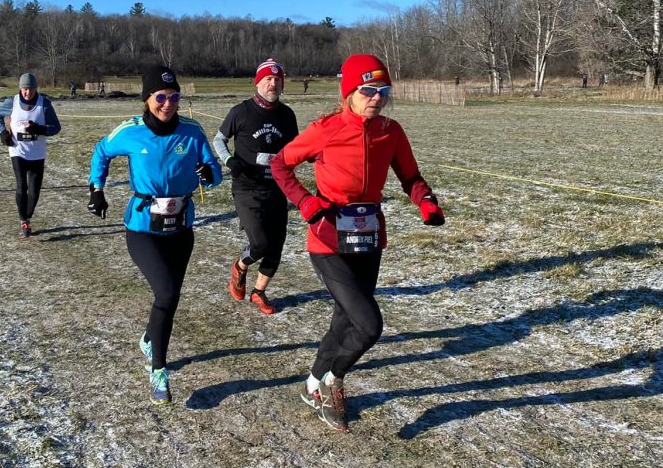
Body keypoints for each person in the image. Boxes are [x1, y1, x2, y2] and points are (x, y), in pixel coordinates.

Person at [272, 53, 445, 433]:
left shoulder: (391, 131)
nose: (377, 97)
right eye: (368, 90)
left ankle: (312, 384)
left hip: (368, 237)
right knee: (368, 324)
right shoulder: (326, 128)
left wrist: (425, 200)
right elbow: (280, 165)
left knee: (346, 319)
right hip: (328, 239)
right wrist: (305, 202)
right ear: (349, 92)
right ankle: (336, 380)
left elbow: (410, 176)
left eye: (383, 90)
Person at [87, 65, 222, 404]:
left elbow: (214, 172)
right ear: (147, 99)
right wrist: (97, 189)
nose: (168, 103)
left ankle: (150, 339)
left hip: (181, 227)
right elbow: (102, 151)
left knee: (170, 297)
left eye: (174, 97)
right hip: (142, 227)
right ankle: (158, 369)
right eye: (160, 97)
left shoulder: (192, 131)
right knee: (165, 291)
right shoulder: (131, 131)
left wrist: (210, 174)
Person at [213, 58, 299, 315]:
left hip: (277, 188)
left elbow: (295, 148)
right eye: (267, 79)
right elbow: (219, 139)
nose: (272, 84)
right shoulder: (241, 111)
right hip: (247, 187)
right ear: (258, 82)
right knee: (260, 243)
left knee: (277, 245)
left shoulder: (286, 114)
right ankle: (240, 266)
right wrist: (229, 161)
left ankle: (259, 292)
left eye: (277, 80)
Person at [0, 72, 62, 237]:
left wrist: (40, 129)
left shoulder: (44, 103)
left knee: (34, 190)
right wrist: (3, 133)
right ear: (20, 89)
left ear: (35, 89)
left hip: (37, 153)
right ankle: (23, 220)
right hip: (17, 150)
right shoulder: (12, 102)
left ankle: (28, 216)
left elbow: (56, 127)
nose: (27, 93)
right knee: (21, 186)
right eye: (24, 89)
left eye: (31, 89)